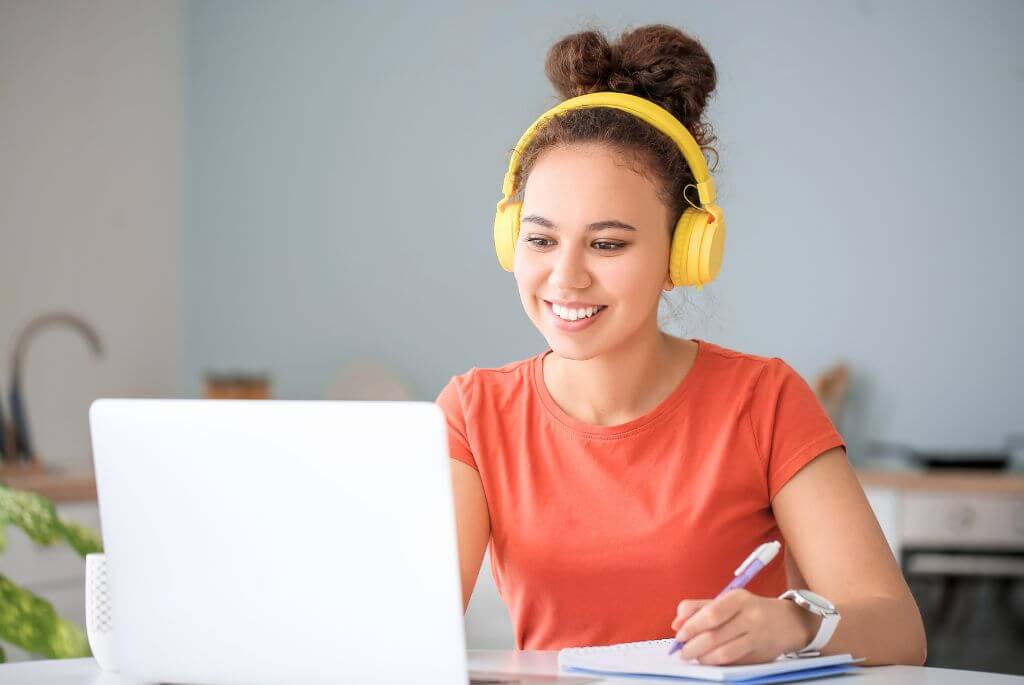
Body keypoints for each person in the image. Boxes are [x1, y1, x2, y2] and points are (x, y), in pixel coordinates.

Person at [436, 24, 926, 667]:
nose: (566, 276)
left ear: (684, 255)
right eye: (540, 239)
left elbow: (899, 631)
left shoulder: (764, 400)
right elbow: (399, 622)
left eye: (608, 243)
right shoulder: (474, 412)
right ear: (509, 240)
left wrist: (792, 624)